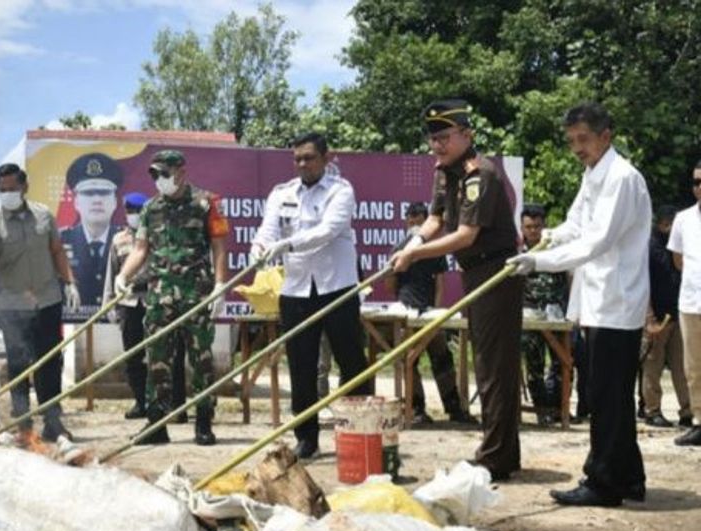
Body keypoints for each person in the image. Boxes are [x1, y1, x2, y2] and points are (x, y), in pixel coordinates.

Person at [509, 102, 652, 506]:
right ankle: (628, 477)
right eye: (571, 141)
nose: (577, 148)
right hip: (598, 300)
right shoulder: (593, 175)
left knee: (605, 396)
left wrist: (539, 261)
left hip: (616, 300)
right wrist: (547, 237)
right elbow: (575, 225)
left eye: (583, 139)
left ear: (606, 135)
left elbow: (596, 241)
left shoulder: (622, 178)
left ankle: (602, 483)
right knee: (612, 394)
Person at [391, 100, 523, 480]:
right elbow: (434, 220)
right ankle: (504, 453)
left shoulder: (480, 173)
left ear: (468, 134)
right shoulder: (444, 172)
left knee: (494, 368)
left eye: (445, 137)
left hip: (496, 270)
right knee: (488, 363)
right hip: (474, 272)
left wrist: (413, 256)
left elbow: (465, 235)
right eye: (433, 139)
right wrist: (409, 244)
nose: (438, 146)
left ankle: (494, 458)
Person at [250, 133, 370, 458]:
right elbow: (268, 230)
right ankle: (307, 437)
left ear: (326, 158)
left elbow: (328, 230)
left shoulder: (340, 190)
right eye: (297, 158)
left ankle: (359, 433)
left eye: (309, 157)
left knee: (351, 362)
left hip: (337, 287)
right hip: (297, 289)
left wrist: (288, 245)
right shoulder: (282, 193)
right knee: (301, 365)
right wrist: (258, 248)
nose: (303, 164)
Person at [116, 149, 229, 446]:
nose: (158, 180)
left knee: (201, 358)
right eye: (154, 174)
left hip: (196, 293)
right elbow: (140, 250)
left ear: (180, 172)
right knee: (157, 359)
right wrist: (123, 276)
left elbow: (218, 245)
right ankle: (157, 425)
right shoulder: (151, 208)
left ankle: (203, 423)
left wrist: (220, 285)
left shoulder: (206, 202)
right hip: (160, 295)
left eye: (163, 174)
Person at [0, 163, 81, 441]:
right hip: (13, 306)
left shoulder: (44, 216)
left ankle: (52, 421)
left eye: (12, 188)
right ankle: (23, 424)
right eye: (2, 190)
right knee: (18, 365)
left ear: (25, 187)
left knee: (49, 362)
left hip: (47, 300)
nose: (7, 194)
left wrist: (69, 281)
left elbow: (57, 251)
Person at [102, 192, 188, 420]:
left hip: (157, 301)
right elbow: (113, 272)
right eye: (129, 211)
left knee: (167, 355)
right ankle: (142, 402)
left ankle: (175, 405)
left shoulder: (160, 235)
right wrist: (109, 303)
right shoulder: (119, 239)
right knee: (133, 357)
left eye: (137, 211)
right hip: (130, 303)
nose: (133, 215)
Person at [386, 201, 474, 425]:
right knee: (409, 360)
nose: (414, 224)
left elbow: (439, 285)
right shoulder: (398, 248)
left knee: (442, 357)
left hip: (429, 313)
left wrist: (435, 312)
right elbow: (390, 285)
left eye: (419, 220)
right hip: (405, 312)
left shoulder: (433, 250)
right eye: (411, 219)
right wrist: (392, 267)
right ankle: (417, 409)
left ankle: (454, 408)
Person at [518, 204, 569, 426]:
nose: (533, 231)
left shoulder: (556, 250)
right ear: (522, 227)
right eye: (528, 227)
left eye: (537, 226)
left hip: (556, 316)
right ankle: (542, 410)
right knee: (534, 366)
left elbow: (568, 278)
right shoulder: (519, 255)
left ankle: (558, 408)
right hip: (530, 319)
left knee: (562, 364)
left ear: (544, 225)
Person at [644, 205, 690, 429]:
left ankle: (688, 410)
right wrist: (649, 318)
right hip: (657, 317)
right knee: (653, 365)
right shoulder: (650, 248)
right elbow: (644, 286)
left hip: (678, 314)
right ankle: (652, 410)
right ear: (663, 225)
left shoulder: (678, 248)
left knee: (683, 367)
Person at [61, 152, 123, 310]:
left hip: (119, 325)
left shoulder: (126, 240)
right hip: (74, 326)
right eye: (88, 193)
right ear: (76, 202)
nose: (96, 200)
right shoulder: (60, 241)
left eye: (103, 193)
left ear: (115, 201)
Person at [670, 160, 701, 446]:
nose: (699, 187)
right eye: (696, 182)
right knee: (693, 366)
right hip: (691, 301)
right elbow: (678, 260)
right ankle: (698, 421)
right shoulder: (683, 219)